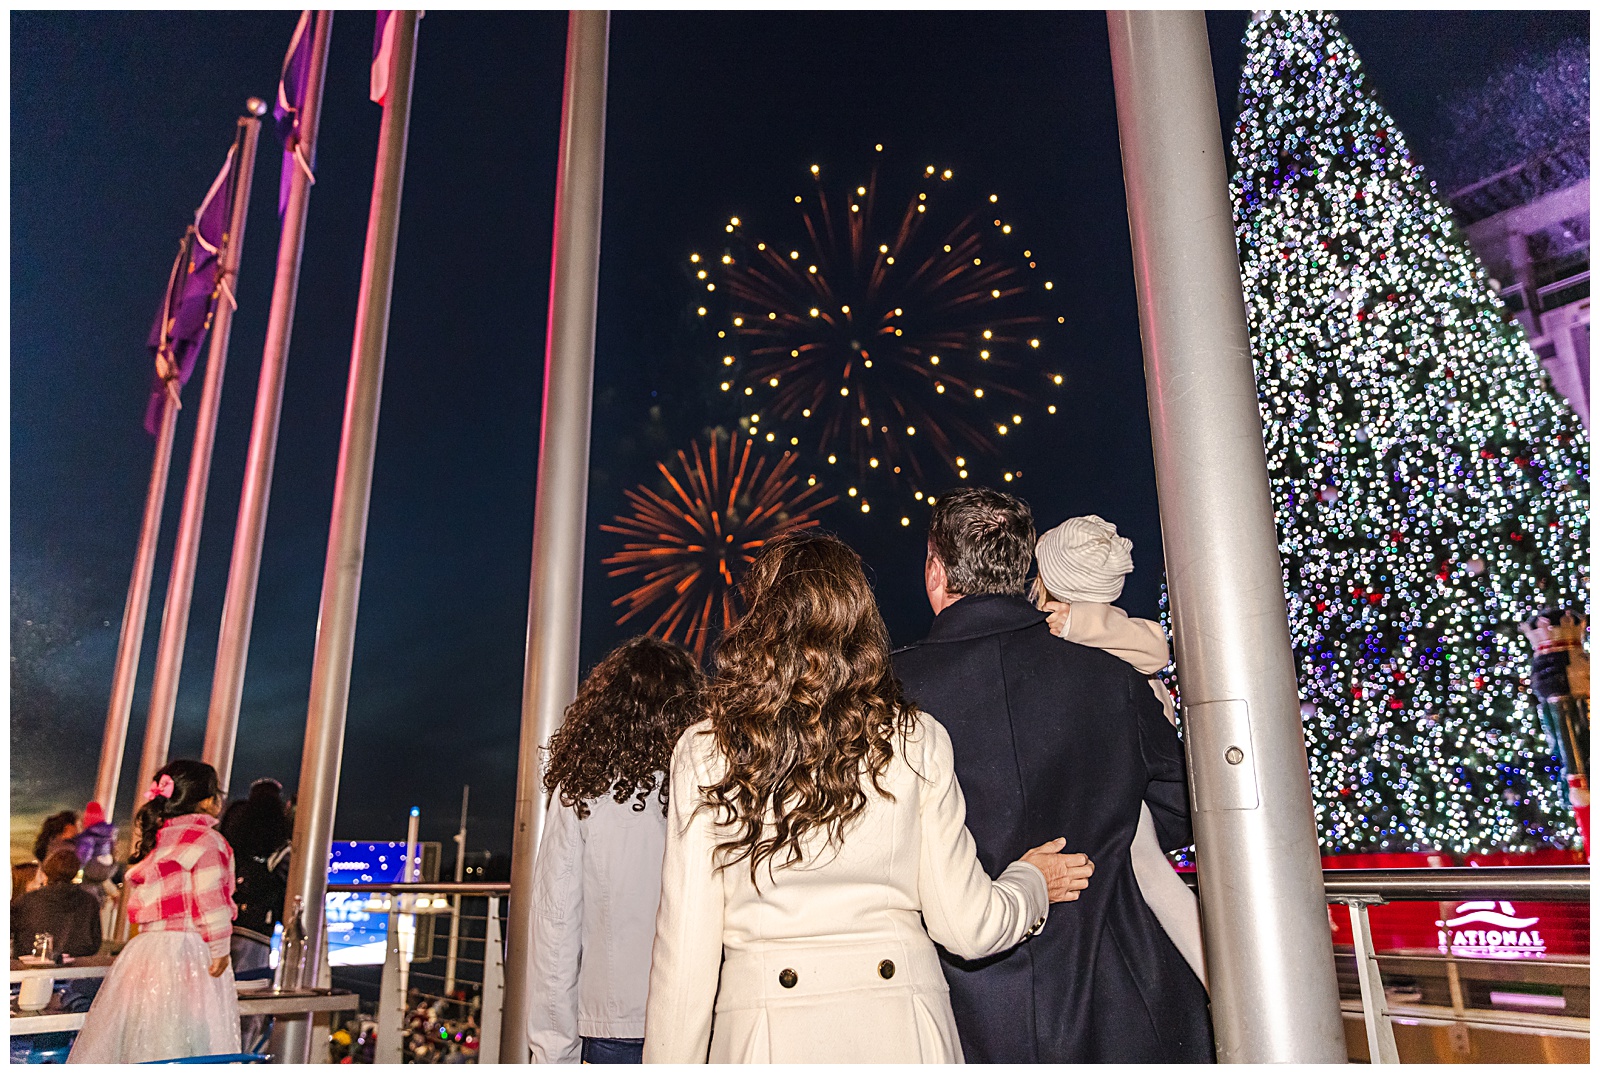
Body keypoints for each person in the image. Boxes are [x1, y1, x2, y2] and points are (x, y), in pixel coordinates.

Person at [644, 532, 1094, 1063]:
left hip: (765, 1039)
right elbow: (969, 927)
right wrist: (1031, 882)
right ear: (863, 626)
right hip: (902, 1029)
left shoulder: (707, 751)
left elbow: (685, 964)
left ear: (759, 623)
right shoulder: (914, 739)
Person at [893, 488, 1214, 1063]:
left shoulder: (888, 695)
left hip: (956, 1010)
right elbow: (1182, 808)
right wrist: (1103, 838)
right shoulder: (1111, 680)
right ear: (1025, 571)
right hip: (1118, 992)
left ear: (937, 572)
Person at [1032, 514, 1207, 984]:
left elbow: (1155, 648)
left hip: (1120, 781)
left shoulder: (1082, 631)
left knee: (1150, 875)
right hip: (1127, 782)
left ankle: (1235, 997)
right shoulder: (1108, 633)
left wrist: (1074, 622)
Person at [527, 636, 707, 1064]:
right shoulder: (711, 781)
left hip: (616, 1026)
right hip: (703, 1018)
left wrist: (553, 1054)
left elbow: (555, 930)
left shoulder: (581, 790)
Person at [68, 759, 241, 1064]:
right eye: (217, 794)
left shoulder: (159, 841)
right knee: (190, 1038)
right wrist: (220, 947)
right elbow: (210, 898)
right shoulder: (209, 840)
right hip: (187, 950)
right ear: (206, 801)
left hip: (145, 952)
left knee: (142, 1037)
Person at [11, 846, 102, 958]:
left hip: (29, 965)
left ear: (47, 871)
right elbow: (94, 942)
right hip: (74, 967)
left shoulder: (27, 901)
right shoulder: (89, 902)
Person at [28, 811, 79, 891]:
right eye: (77, 825)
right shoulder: (66, 848)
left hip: (42, 884)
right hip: (58, 889)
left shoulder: (49, 841)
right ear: (68, 827)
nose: (78, 829)